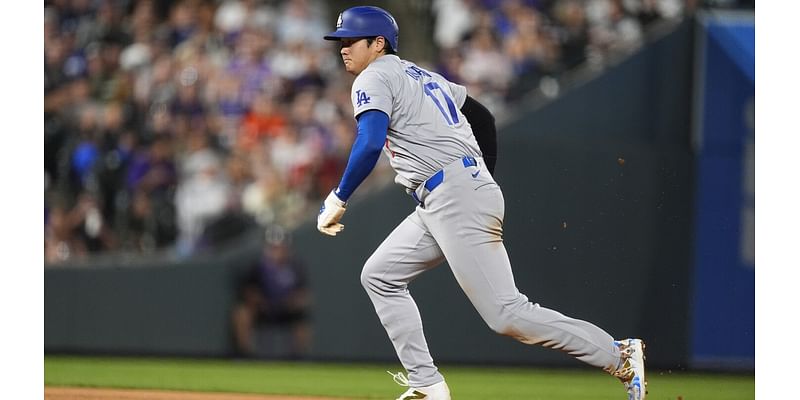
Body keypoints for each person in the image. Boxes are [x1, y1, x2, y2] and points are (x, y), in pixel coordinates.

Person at [316, 6, 647, 400]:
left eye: (350, 40)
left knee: (506, 314)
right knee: (380, 276)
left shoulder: (374, 76)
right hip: (445, 195)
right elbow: (482, 117)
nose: (343, 48)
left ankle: (618, 354)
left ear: (378, 43)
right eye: (341, 41)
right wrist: (478, 177)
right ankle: (426, 385)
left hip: (453, 194)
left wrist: (339, 196)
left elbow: (370, 142)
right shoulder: (421, 75)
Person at [231, 226, 311, 358]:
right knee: (241, 313)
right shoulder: (257, 266)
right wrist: (260, 301)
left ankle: (298, 358)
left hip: (286, 310)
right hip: (262, 308)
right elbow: (247, 291)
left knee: (302, 320)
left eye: (280, 247)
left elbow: (305, 295)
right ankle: (246, 355)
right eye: (274, 248)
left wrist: (292, 302)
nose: (277, 252)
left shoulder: (295, 267)